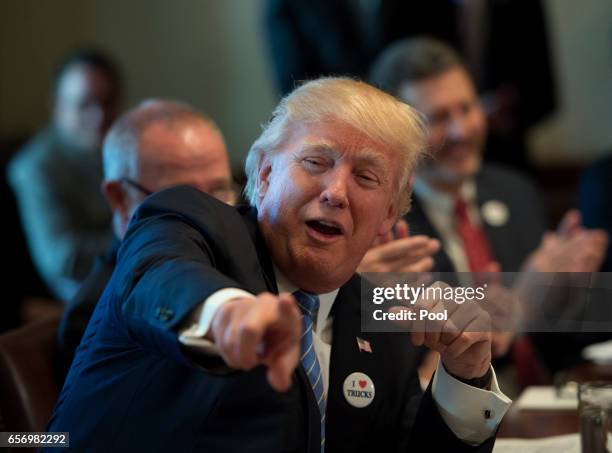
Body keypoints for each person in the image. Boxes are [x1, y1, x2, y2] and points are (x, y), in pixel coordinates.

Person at [45, 78, 511, 452]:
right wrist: (226, 313)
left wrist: (463, 379)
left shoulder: (380, 318)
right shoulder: (194, 223)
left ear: (389, 214)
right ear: (264, 175)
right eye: (315, 161)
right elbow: (160, 273)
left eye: (366, 177)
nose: (336, 192)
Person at [367, 37, 607, 383]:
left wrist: (570, 291)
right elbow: (400, 372)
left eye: (466, 108)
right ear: (398, 132)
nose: (461, 130)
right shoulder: (385, 226)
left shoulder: (515, 191)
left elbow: (556, 343)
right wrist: (517, 305)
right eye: (437, 118)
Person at [56, 99, 236, 372]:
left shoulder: (245, 250)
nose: (210, 213)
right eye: (184, 197)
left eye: (220, 190)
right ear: (119, 199)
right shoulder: (93, 314)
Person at [7, 49, 122, 301]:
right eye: (84, 104)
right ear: (57, 106)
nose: (99, 116)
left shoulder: (122, 149)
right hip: (81, 301)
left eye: (107, 102)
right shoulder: (34, 168)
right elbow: (63, 259)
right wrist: (134, 235)